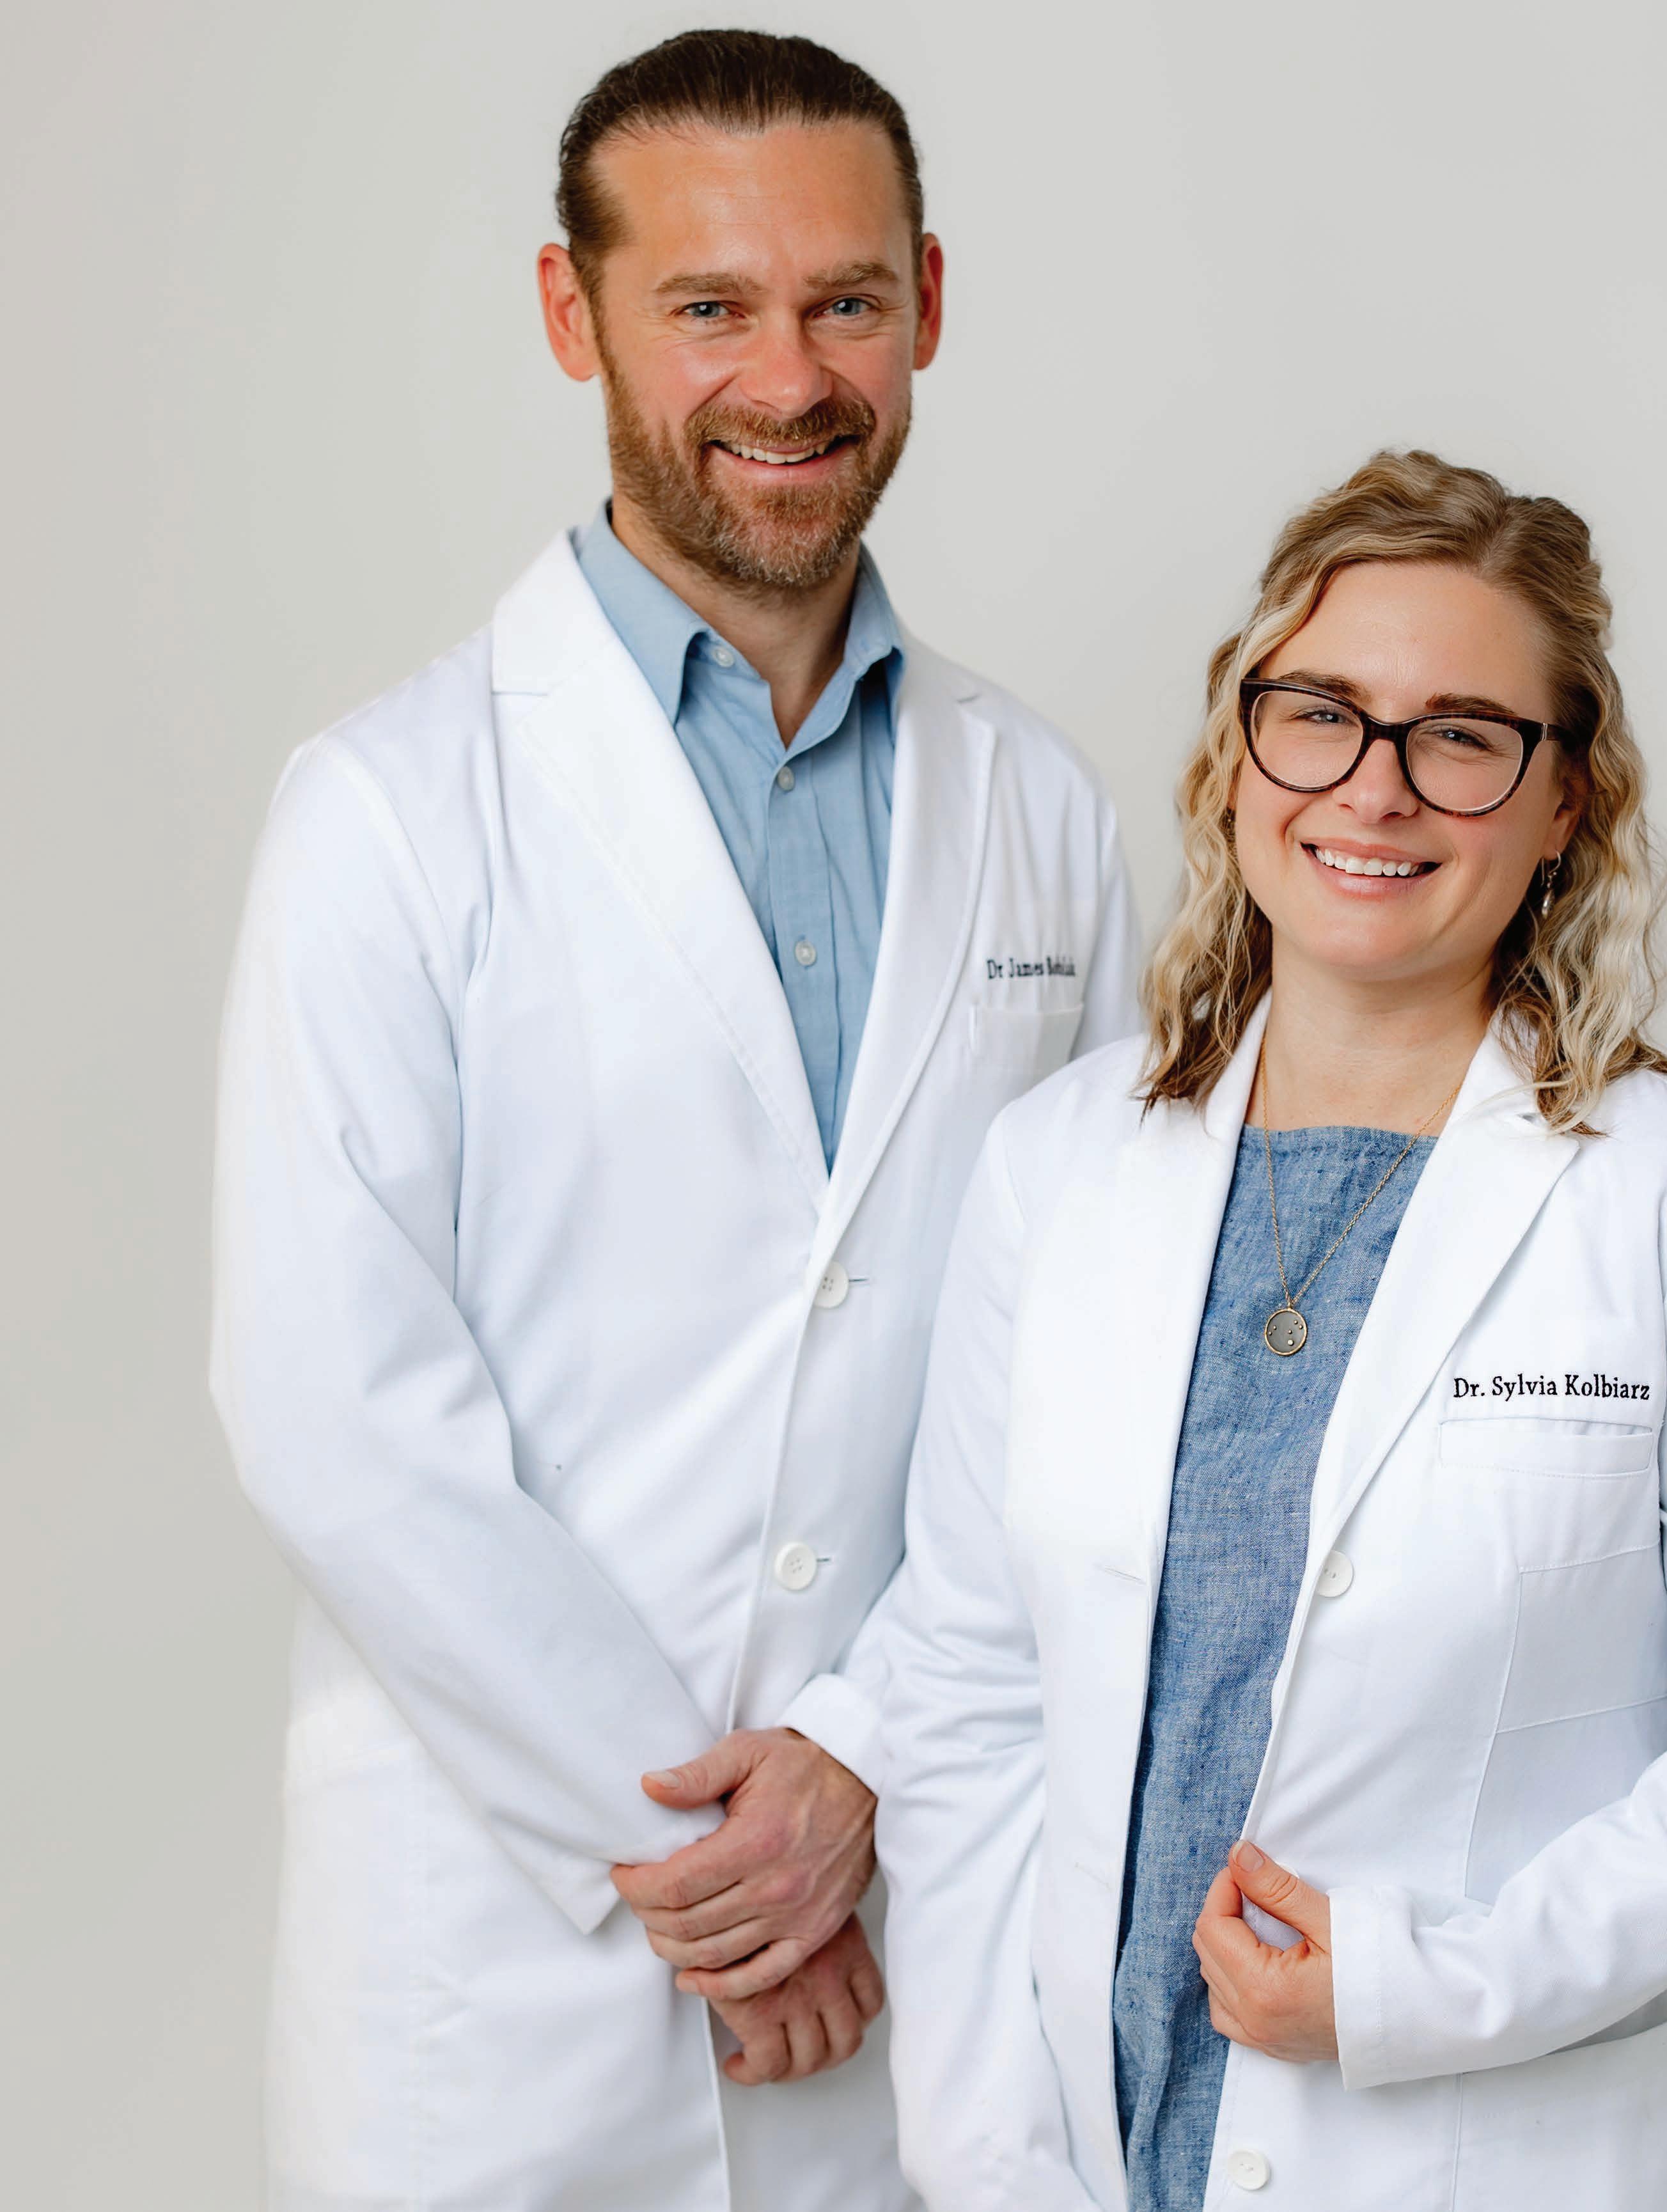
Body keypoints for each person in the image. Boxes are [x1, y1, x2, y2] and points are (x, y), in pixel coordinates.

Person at [210, 29, 1135, 2212]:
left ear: (929, 301)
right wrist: (716, 1857)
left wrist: (854, 1764)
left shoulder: (1039, 809)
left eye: (845, 300)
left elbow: (1083, 1380)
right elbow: (335, 1408)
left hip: (900, 1921)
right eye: (708, 304)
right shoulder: (387, 812)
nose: (788, 377)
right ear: (575, 315)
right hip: (505, 1956)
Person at [877, 450, 1667, 2211]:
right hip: (1092, 2159)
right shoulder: (1056, 1168)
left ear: (1566, 797)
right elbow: (972, 1692)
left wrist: (1430, 1984)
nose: (1376, 786)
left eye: (1462, 735)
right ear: (1238, 747)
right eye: (1322, 714)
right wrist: (979, 2154)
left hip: (1491, 2155)